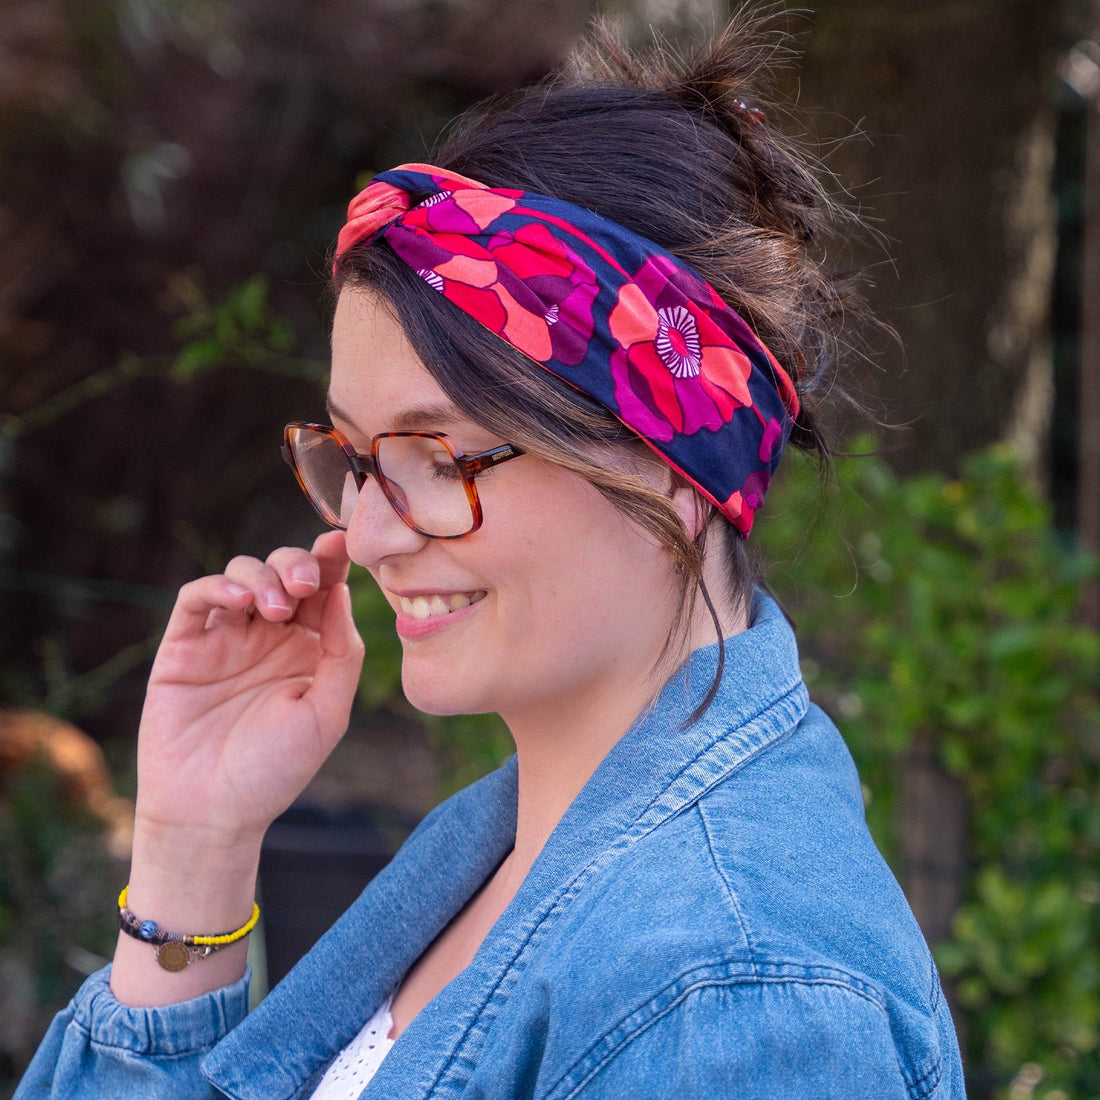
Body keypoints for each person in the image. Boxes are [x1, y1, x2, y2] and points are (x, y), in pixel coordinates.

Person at [17, 10, 966, 1099]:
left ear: (672, 459)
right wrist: (193, 845)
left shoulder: (739, 998)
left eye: (439, 452)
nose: (363, 532)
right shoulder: (499, 850)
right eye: (359, 455)